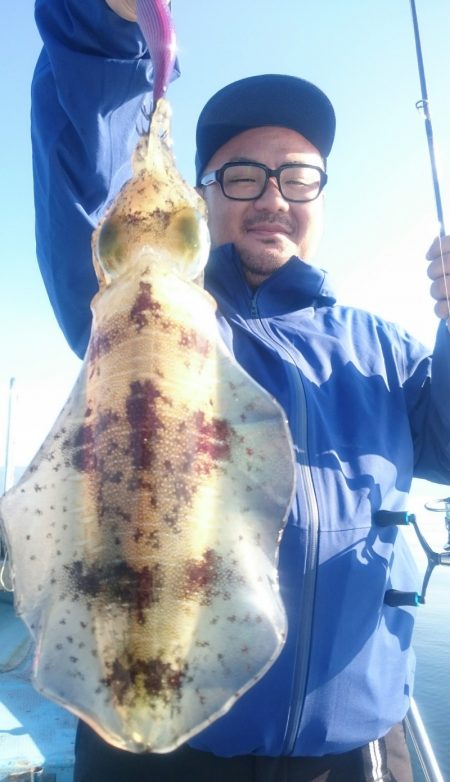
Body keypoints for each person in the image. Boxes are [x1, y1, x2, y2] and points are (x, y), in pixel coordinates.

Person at [31, 1, 450, 780]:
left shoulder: (384, 349)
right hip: (161, 754)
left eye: (297, 175)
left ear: (322, 194)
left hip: (346, 751)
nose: (273, 196)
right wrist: (107, 26)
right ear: (204, 199)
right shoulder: (145, 308)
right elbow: (86, 182)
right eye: (243, 175)